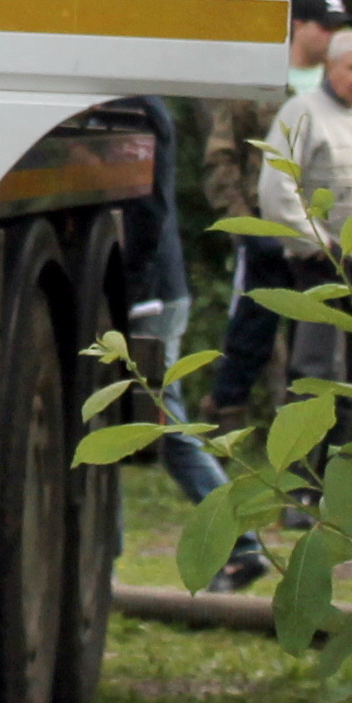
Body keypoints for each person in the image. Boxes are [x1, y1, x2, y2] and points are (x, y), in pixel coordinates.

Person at [104, 92, 267, 591]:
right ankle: (104, 554)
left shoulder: (139, 109)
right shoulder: (133, 103)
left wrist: (132, 290)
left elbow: (148, 212)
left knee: (166, 428)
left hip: (148, 296)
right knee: (115, 425)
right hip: (144, 291)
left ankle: (242, 544)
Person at [204, 0, 350, 417]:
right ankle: (222, 430)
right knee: (249, 339)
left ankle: (310, 435)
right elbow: (221, 158)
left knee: (322, 340)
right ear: (299, 26)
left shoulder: (341, 87)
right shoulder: (261, 84)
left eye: (340, 29)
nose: (333, 38)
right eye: (325, 27)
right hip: (266, 231)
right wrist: (245, 227)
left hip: (324, 235)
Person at [255, 27, 352, 396]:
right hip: (320, 264)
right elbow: (276, 188)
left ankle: (338, 451)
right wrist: (319, 247)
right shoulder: (302, 111)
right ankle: (305, 452)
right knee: (316, 371)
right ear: (330, 67)